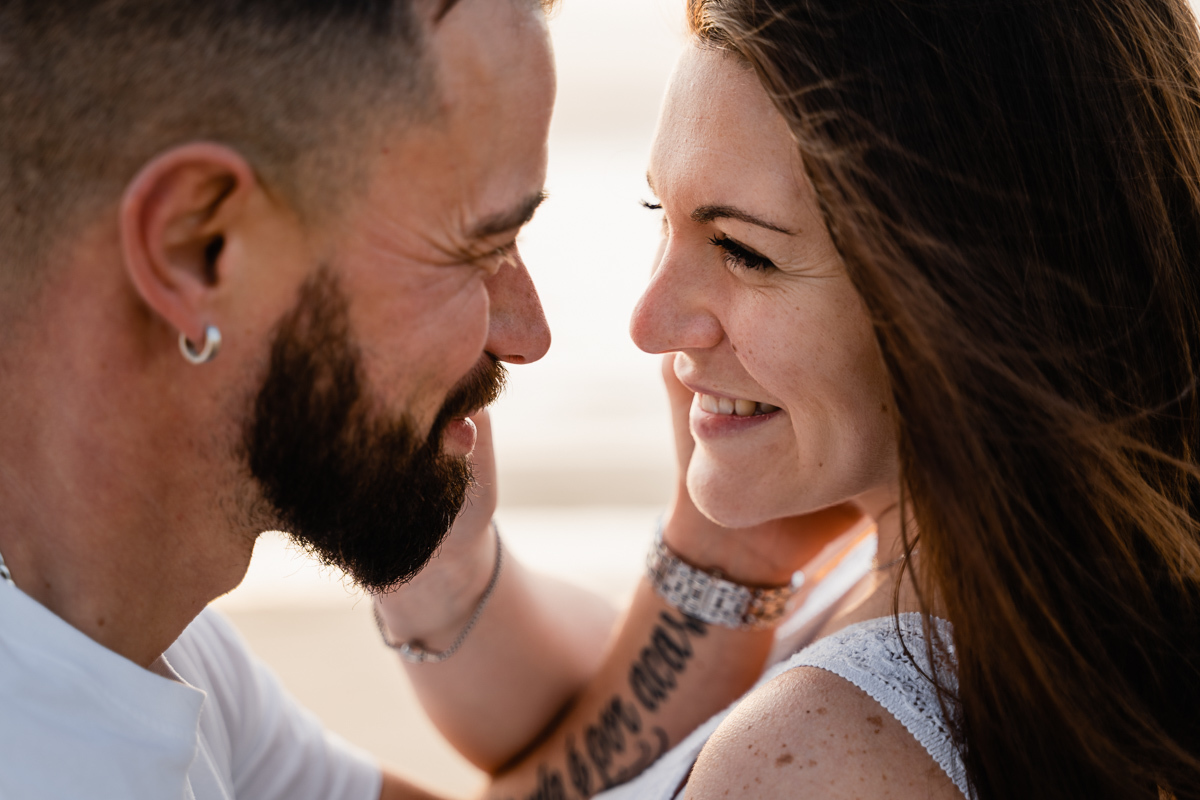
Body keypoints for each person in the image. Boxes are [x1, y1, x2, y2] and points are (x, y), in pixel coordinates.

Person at [0, 0, 846, 797]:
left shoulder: (135, 639)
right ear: (198, 251)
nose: (526, 332)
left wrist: (719, 564)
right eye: (480, 246)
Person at [377, 1, 1200, 798]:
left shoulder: (814, 753)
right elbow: (580, 737)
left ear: (975, 293)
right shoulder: (961, 585)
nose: (650, 323)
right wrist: (439, 564)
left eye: (741, 250)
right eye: (660, 212)